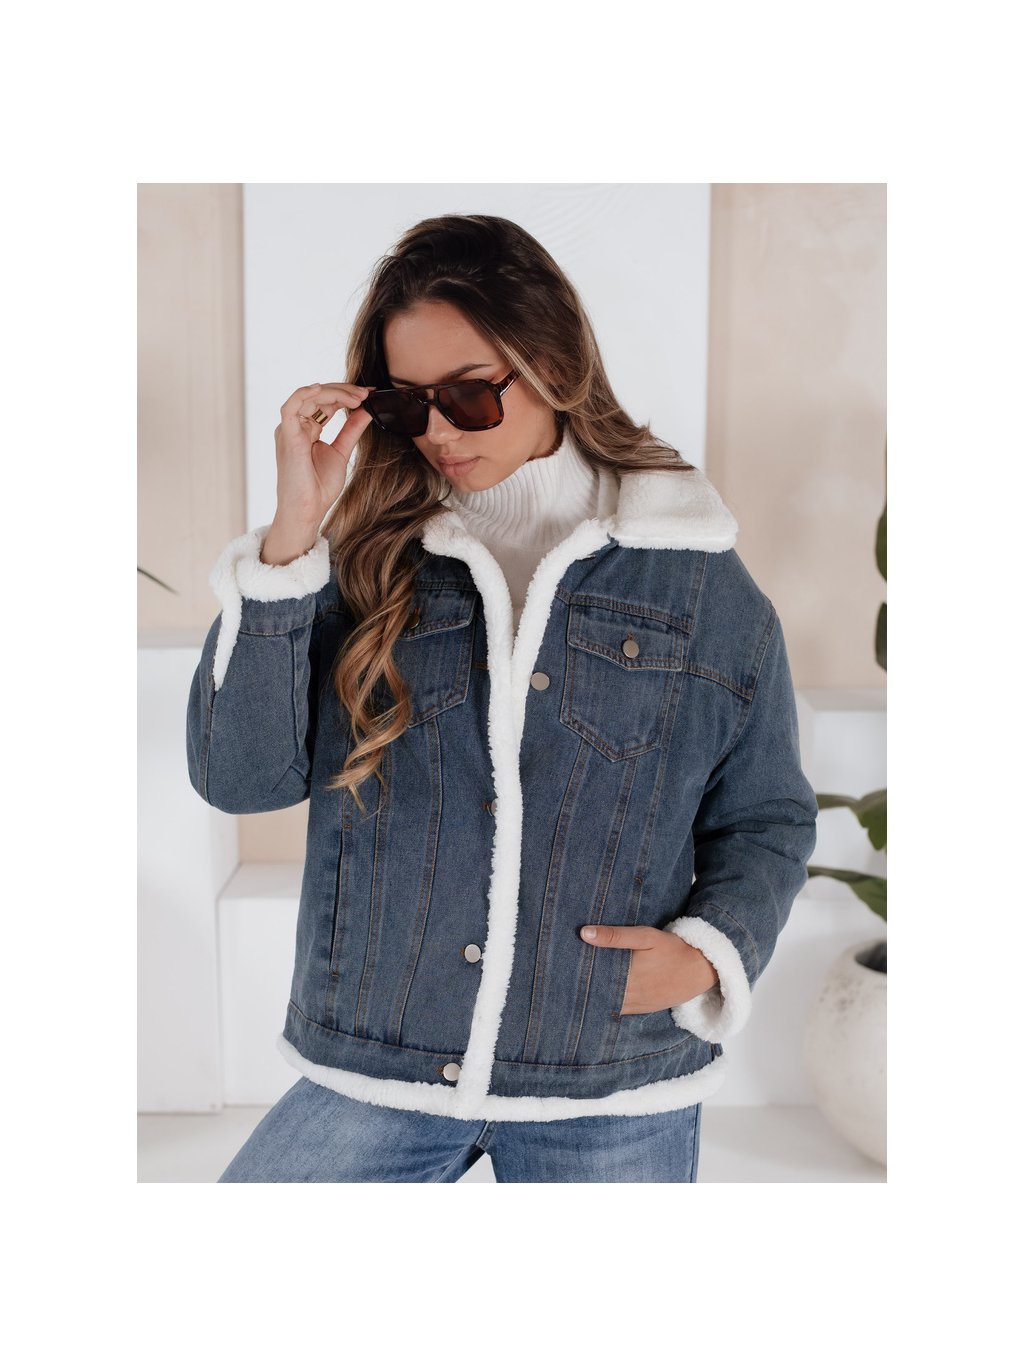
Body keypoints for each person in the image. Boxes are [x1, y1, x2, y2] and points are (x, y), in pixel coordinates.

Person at [186, 213, 818, 1182]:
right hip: (381, 1054)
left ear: (551, 362)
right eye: (407, 405)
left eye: (469, 395)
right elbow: (241, 779)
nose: (438, 431)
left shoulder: (692, 575)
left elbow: (767, 814)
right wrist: (292, 531)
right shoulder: (365, 560)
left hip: (606, 1074)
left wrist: (707, 954)